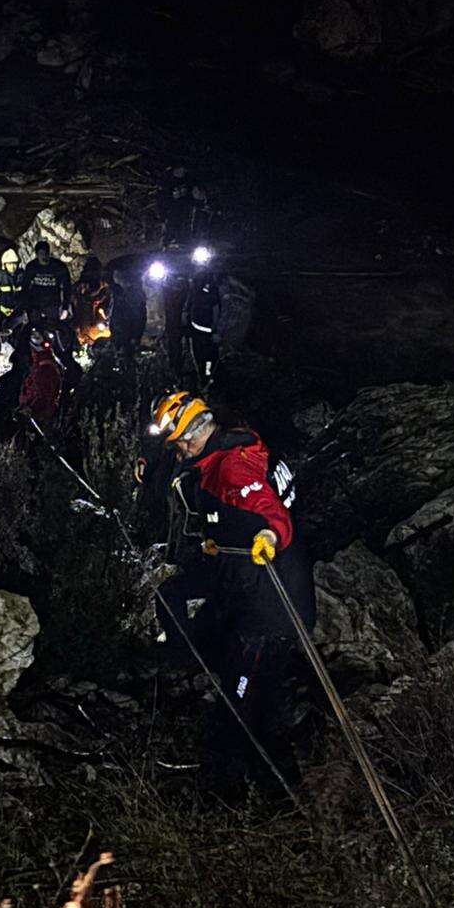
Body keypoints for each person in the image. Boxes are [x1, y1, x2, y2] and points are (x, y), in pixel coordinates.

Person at [149, 391, 314, 786]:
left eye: (181, 443)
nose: (180, 452)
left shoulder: (232, 468)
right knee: (173, 596)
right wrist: (222, 537)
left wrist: (270, 536)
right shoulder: (227, 450)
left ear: (195, 434)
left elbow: (271, 513)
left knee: (242, 705)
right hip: (247, 579)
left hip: (272, 603)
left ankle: (252, 788)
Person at [17, 326, 64, 428]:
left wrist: (30, 409)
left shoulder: (45, 369)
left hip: (38, 418)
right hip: (35, 412)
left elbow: (43, 396)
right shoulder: (41, 365)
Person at [21, 240, 72, 328]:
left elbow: (67, 287)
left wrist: (65, 308)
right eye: (41, 254)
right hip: (35, 304)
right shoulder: (31, 267)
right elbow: (25, 287)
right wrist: (24, 307)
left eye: (46, 253)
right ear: (37, 255)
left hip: (52, 304)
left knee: (53, 328)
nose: (44, 256)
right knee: (34, 328)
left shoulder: (59, 267)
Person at [72, 254, 113, 348]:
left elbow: (108, 303)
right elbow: (73, 302)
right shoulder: (79, 288)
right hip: (83, 318)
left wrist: (102, 312)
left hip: (95, 322)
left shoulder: (104, 288)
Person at [0, 247, 25, 328]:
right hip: (2, 313)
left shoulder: (22, 276)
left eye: (14, 263)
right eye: (9, 264)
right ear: (4, 265)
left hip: (18, 313)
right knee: (1, 331)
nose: (13, 266)